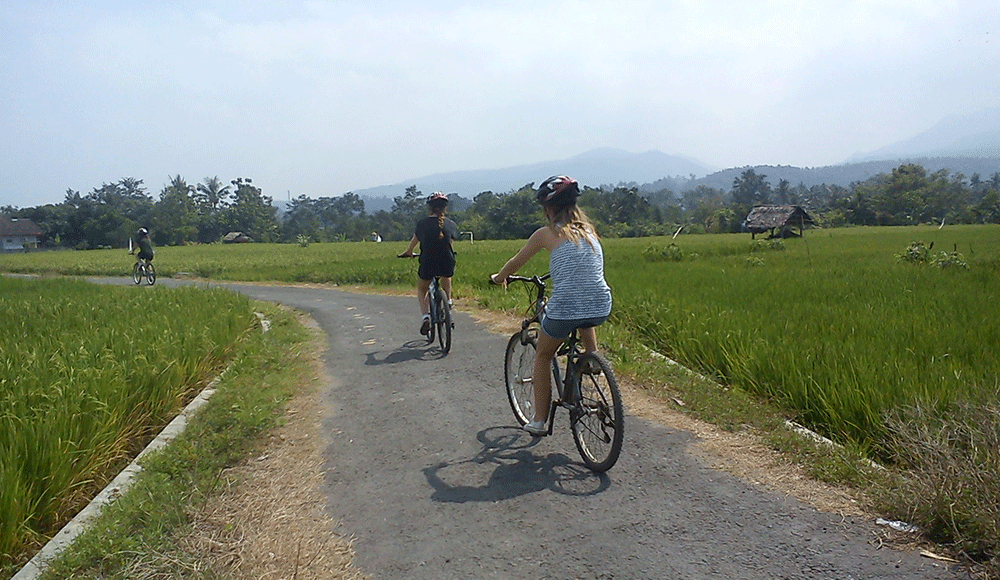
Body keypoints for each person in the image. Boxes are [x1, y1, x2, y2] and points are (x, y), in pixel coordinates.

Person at [490, 176, 612, 436]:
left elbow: (515, 263)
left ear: (548, 208)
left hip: (567, 307)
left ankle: (539, 420)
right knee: (583, 314)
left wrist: (499, 278)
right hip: (602, 303)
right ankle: (592, 358)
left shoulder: (545, 234)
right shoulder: (589, 231)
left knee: (543, 356)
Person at [398, 192, 459, 335]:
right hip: (447, 261)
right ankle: (448, 303)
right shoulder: (450, 224)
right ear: (445, 208)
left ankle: (426, 317)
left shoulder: (422, 224)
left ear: (430, 208)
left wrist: (408, 252)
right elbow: (449, 243)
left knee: (422, 289)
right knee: (446, 277)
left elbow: (413, 243)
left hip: (427, 261)